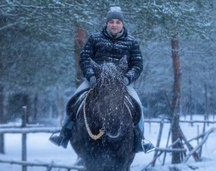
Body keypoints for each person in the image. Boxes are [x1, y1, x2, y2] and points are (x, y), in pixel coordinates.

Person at [50, 6, 154, 153]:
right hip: (96, 81)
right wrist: (91, 76)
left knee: (138, 105)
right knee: (73, 101)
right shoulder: (95, 38)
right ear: (107, 23)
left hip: (121, 83)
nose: (114, 24)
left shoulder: (132, 42)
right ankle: (64, 134)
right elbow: (85, 59)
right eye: (111, 21)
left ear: (122, 24)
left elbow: (137, 64)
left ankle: (141, 139)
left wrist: (126, 79)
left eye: (118, 22)